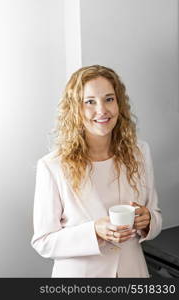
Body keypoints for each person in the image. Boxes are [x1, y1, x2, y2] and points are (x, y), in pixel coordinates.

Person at [30, 65, 162, 278]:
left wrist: (147, 221)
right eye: (90, 102)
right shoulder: (52, 166)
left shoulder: (140, 152)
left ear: (119, 104)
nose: (102, 110)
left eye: (109, 99)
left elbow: (155, 216)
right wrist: (93, 232)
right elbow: (43, 241)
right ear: (75, 109)